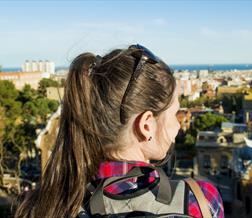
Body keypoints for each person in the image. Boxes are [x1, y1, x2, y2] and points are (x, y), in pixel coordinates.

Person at [15, 44, 224, 218]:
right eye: (174, 115)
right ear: (146, 125)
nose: (178, 127)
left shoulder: (38, 207)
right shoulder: (198, 199)